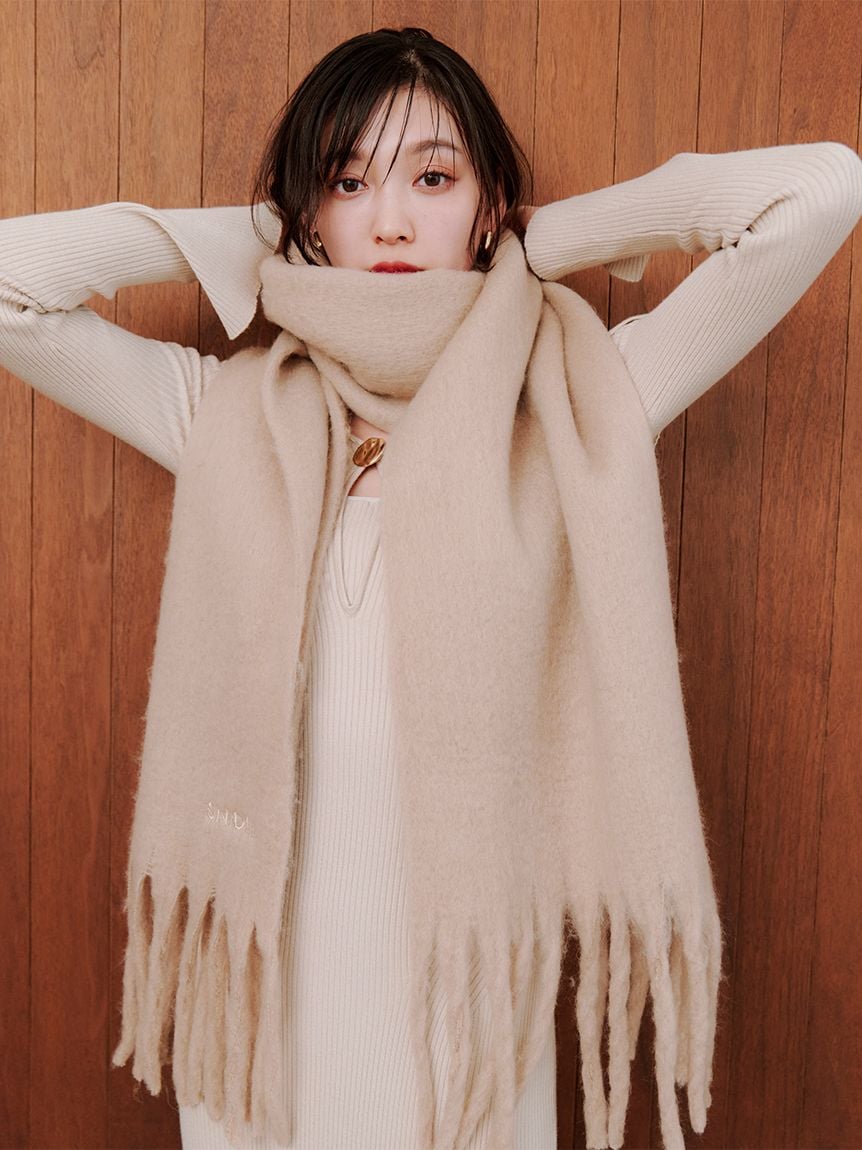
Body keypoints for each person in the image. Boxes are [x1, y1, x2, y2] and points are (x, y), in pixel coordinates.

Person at [1, 25, 861, 1150]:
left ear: (485, 200)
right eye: (347, 181)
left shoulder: (578, 398)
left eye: (434, 178)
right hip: (261, 999)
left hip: (465, 993)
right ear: (309, 214)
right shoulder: (224, 415)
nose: (393, 221)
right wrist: (257, 236)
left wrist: (541, 238)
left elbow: (819, 192)